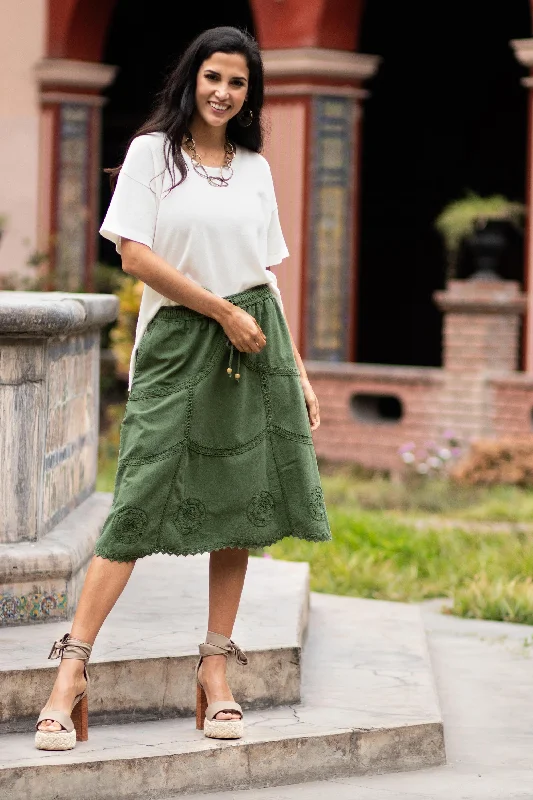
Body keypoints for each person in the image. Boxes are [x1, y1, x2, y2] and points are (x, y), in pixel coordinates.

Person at [35, 25, 332, 751]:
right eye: (213, 78)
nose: (224, 93)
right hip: (181, 338)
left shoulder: (256, 167)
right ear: (189, 80)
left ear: (248, 92)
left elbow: (264, 276)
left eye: (237, 82)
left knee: (235, 504)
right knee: (136, 502)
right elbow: (134, 255)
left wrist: (295, 367)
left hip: (254, 334)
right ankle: (70, 674)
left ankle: (214, 669)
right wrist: (221, 311)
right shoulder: (152, 155)